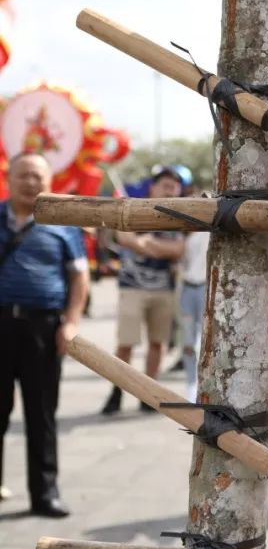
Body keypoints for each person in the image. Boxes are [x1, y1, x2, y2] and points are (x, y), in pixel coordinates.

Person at [0, 153, 89, 517]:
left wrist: (71, 322)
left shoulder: (63, 221)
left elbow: (79, 276)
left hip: (43, 329)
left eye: (37, 176)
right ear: (10, 177)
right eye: (24, 175)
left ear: (48, 181)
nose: (30, 182)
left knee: (42, 414)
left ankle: (45, 493)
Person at [101, 167, 185, 415]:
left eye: (174, 186)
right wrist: (158, 247)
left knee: (157, 344)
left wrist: (145, 245)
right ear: (153, 187)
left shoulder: (180, 215)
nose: (170, 190)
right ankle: (116, 392)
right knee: (125, 344)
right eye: (165, 185)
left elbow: (178, 250)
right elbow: (124, 239)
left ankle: (149, 395)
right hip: (132, 287)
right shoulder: (133, 208)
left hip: (163, 290)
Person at [178, 209, 210, 402]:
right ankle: (191, 385)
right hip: (188, 288)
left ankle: (203, 386)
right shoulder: (185, 235)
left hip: (206, 287)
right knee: (188, 339)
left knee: (205, 339)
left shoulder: (210, 233)